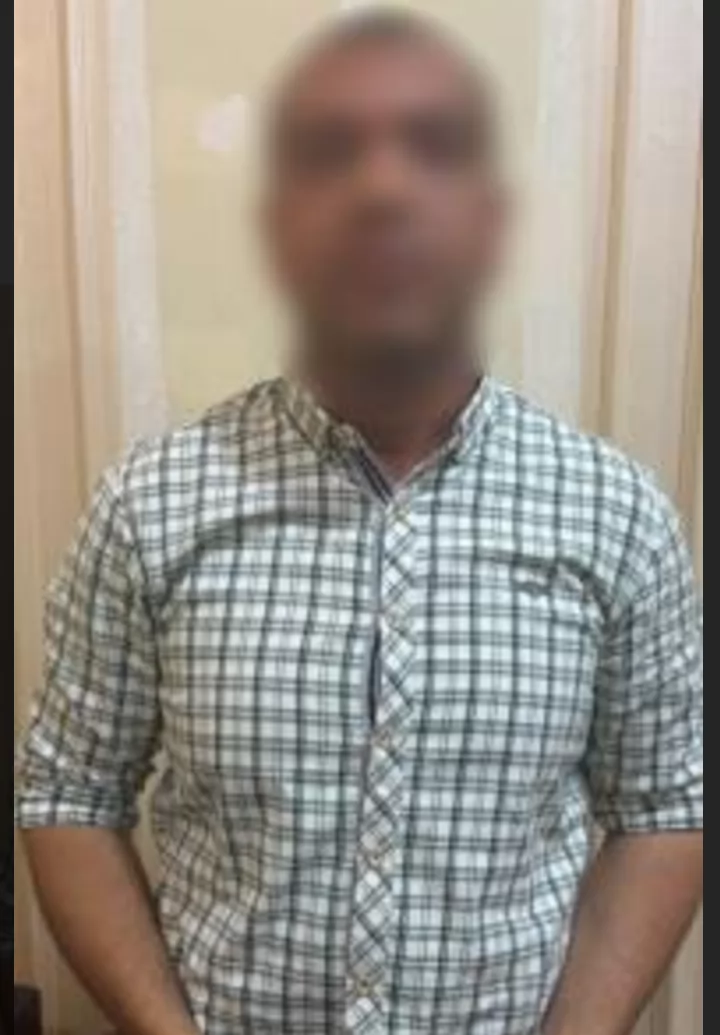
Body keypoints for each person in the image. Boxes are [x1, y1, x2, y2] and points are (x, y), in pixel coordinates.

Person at [16, 10, 703, 1035]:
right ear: (277, 224)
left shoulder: (619, 516)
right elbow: (69, 794)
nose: (383, 189)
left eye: (436, 147)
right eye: (329, 153)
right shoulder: (149, 505)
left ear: (493, 221)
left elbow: (665, 810)